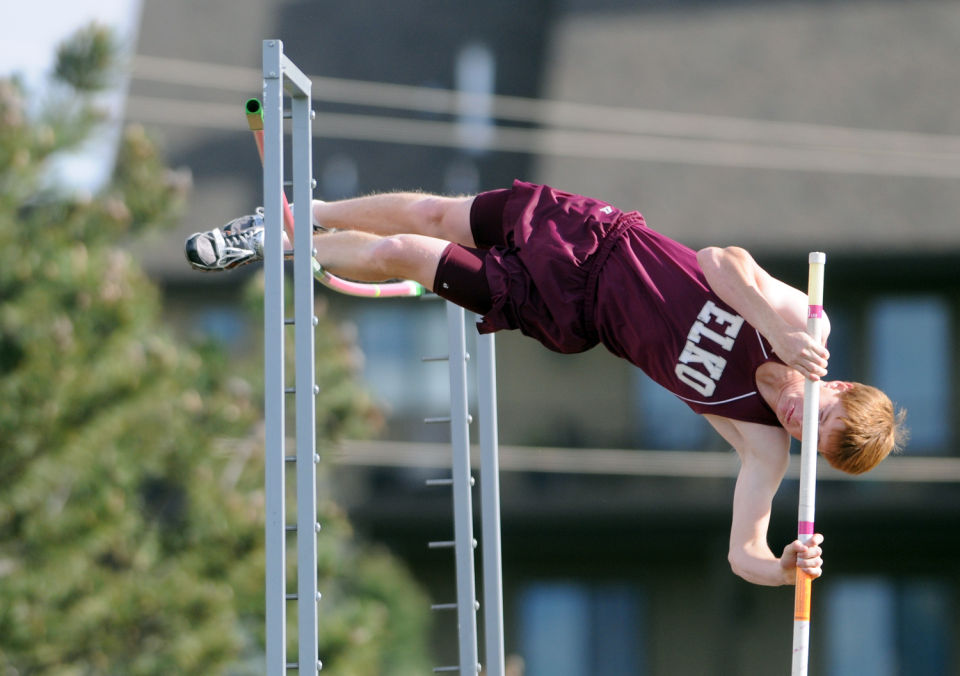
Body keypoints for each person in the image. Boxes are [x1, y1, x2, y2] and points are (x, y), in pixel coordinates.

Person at [186, 180, 906, 587]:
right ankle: (304, 215)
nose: (790, 417)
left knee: (409, 252)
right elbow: (725, 261)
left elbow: (740, 551)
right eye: (811, 412)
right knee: (434, 215)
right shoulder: (802, 323)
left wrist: (781, 569)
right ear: (836, 386)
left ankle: (275, 244)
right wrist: (776, 332)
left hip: (568, 309)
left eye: (803, 437)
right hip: (592, 234)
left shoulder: (760, 446)